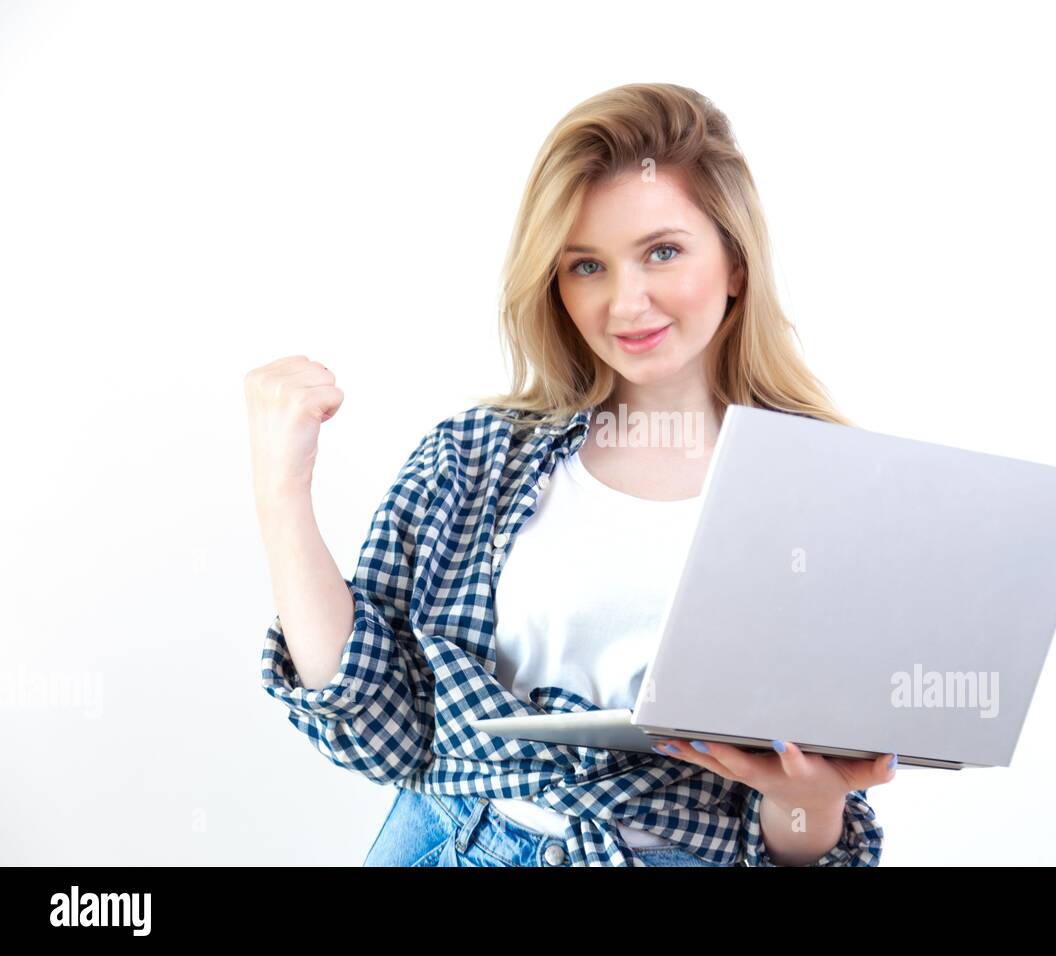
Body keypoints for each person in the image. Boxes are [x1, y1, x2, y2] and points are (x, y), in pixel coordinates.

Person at [244, 82, 897, 867]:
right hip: (454, 844)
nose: (626, 303)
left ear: (734, 260)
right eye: (586, 265)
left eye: (662, 251)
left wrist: (806, 803)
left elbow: (806, 845)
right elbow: (374, 723)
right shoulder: (474, 460)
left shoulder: (825, 493)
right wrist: (282, 489)